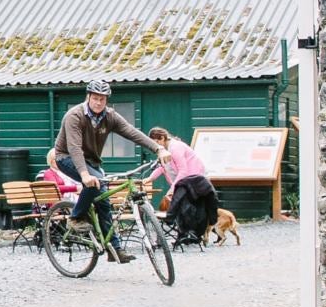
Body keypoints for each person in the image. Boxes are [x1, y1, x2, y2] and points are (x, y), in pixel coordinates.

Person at [51, 79, 160, 263]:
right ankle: (76, 217)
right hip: (66, 157)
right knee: (93, 183)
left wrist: (158, 148)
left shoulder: (110, 116)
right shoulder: (74, 116)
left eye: (102, 99)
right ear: (88, 97)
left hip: (91, 162)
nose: (99, 102)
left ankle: (114, 250)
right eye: (95, 98)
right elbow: (75, 148)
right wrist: (84, 175)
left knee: (104, 201)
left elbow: (131, 132)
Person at [150, 125, 218, 245]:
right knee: (182, 207)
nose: (156, 146)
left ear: (162, 138)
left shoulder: (175, 148)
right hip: (184, 180)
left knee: (186, 207)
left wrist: (172, 188)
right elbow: (163, 166)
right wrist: (150, 178)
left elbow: (183, 170)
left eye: (156, 142)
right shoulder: (164, 151)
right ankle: (183, 235)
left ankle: (188, 234)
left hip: (194, 179)